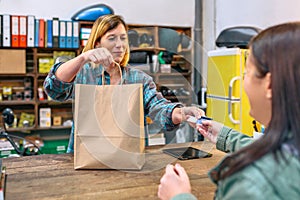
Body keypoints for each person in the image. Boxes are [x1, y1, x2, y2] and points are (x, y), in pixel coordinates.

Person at [158, 22, 300, 200]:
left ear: (269, 84)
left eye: (246, 72)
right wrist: (226, 136)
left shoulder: (251, 184)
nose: (242, 82)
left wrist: (178, 196)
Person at [43, 14, 203, 153]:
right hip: (85, 158)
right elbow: (54, 88)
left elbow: (158, 108)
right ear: (97, 43)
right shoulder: (84, 74)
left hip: (128, 158)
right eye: (112, 38)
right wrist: (84, 57)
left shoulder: (139, 79)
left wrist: (181, 113)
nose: (120, 45)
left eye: (123, 38)